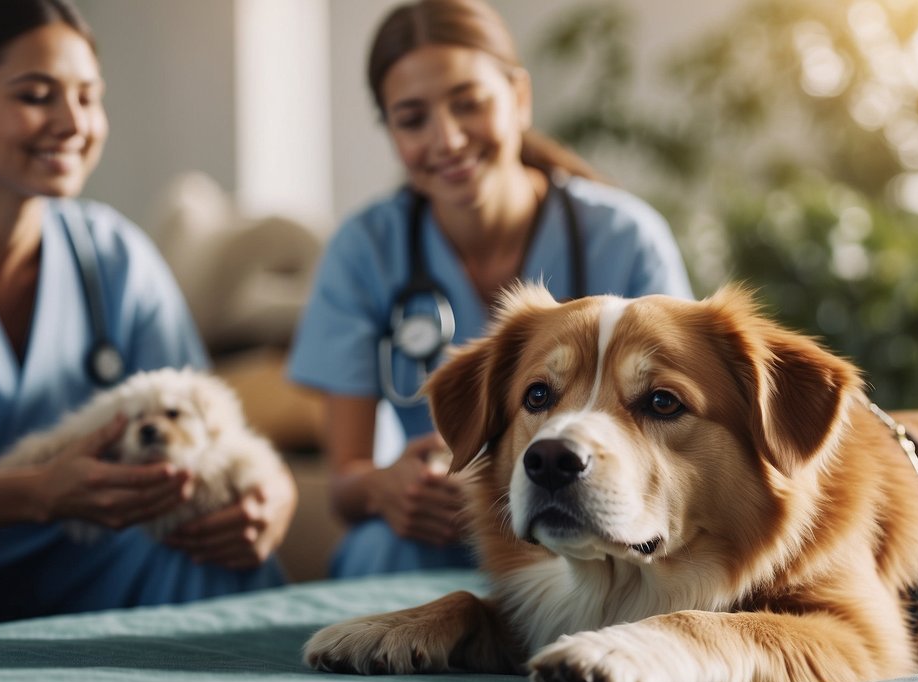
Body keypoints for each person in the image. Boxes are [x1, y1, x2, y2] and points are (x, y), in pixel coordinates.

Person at [0, 0, 294, 640]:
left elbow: (210, 424)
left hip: (86, 565)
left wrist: (273, 495)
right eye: (36, 95)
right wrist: (40, 491)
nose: (73, 122)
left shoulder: (115, 257)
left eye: (88, 96)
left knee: (212, 551)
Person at [287, 0, 694, 579]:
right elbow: (344, 482)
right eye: (412, 119)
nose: (447, 138)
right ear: (391, 132)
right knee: (380, 555)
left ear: (519, 98)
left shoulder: (623, 238)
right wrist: (386, 486)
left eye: (468, 104)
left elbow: (683, 420)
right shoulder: (365, 250)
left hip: (592, 521)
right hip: (434, 533)